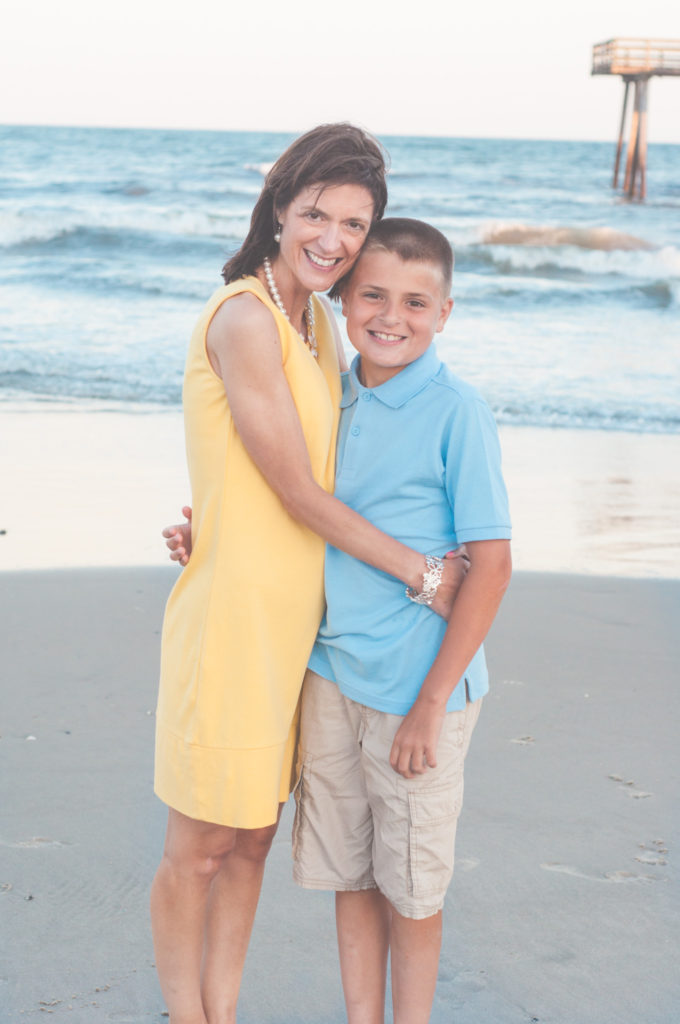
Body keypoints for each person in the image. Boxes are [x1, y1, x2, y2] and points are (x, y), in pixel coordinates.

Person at [151, 127, 467, 1024]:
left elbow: (310, 469)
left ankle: (224, 1010)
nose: (332, 237)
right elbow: (294, 489)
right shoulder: (247, 317)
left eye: (353, 222)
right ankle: (187, 1016)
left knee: (250, 839)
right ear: (280, 206)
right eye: (316, 213)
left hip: (299, 627)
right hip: (234, 624)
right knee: (199, 847)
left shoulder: (319, 322)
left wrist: (205, 513)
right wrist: (421, 573)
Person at [290, 218, 512, 1024]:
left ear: (445, 312)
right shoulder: (329, 395)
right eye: (374, 294)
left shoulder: (457, 411)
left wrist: (430, 702)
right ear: (345, 297)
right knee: (350, 873)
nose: (392, 316)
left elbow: (492, 566)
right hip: (331, 674)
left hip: (419, 689)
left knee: (412, 887)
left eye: (416, 302)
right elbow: (303, 506)